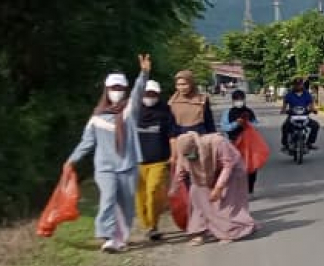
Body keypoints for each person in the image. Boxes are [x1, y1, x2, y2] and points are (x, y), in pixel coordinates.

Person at [64, 54, 150, 253]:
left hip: (128, 165)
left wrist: (144, 73)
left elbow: (138, 93)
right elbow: (86, 142)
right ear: (107, 90)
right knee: (108, 198)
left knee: (127, 205)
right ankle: (107, 235)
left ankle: (120, 238)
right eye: (113, 88)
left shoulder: (129, 111)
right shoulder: (97, 117)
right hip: (105, 168)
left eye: (120, 88)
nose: (117, 92)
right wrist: (71, 160)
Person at [173, 132, 256, 244]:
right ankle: (199, 231)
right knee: (197, 196)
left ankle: (230, 231)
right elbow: (181, 165)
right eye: (187, 155)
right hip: (203, 174)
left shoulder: (217, 142)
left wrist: (218, 188)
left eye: (192, 154)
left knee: (226, 203)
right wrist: (175, 186)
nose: (191, 157)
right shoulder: (185, 151)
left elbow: (228, 165)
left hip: (232, 170)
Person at [136, 79, 174, 241]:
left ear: (158, 95)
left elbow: (172, 135)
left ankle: (153, 225)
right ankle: (147, 225)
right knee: (140, 197)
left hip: (159, 160)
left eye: (153, 94)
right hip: (137, 161)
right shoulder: (134, 112)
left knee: (153, 192)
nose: (149, 97)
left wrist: (173, 155)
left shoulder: (165, 112)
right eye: (147, 94)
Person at [221, 89, 263, 194]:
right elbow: (225, 127)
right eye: (236, 99)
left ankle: (250, 189)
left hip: (249, 144)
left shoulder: (249, 112)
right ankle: (233, 190)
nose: (239, 101)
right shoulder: (228, 113)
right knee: (231, 167)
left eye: (241, 99)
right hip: (233, 143)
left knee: (252, 167)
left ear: (244, 100)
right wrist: (236, 123)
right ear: (233, 100)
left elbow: (256, 125)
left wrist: (247, 123)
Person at [169, 69, 215, 136]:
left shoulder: (202, 100)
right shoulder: (172, 102)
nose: (181, 87)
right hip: (180, 140)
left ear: (191, 84)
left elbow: (209, 123)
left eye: (184, 84)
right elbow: (170, 127)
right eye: (178, 84)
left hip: (200, 138)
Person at [279, 77, 320, 151]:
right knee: (284, 127)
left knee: (315, 125)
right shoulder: (289, 95)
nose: (298, 86)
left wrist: (313, 110)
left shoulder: (307, 94)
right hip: (292, 116)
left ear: (302, 85)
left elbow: (311, 105)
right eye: (296, 85)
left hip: (304, 116)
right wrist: (283, 110)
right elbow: (284, 106)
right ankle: (285, 144)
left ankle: (309, 143)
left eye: (300, 84)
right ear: (293, 85)